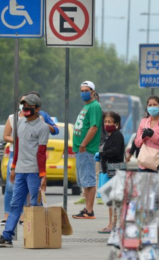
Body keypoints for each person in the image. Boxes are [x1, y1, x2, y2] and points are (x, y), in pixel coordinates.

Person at [0, 94, 49, 247]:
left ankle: (39, 236)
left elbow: (42, 152)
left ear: (37, 109)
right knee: (15, 205)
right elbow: (17, 148)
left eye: (29, 106)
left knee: (36, 205)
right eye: (24, 105)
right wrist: (14, 167)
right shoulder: (20, 123)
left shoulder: (42, 127)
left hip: (34, 172)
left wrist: (43, 175)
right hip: (20, 170)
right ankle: (7, 236)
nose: (26, 108)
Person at [134, 96, 159, 236]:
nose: (152, 107)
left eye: (155, 104)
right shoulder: (144, 122)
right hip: (145, 163)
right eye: (150, 104)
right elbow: (137, 143)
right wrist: (144, 136)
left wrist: (154, 136)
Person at [72, 81, 103, 219]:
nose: (83, 92)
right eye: (81, 90)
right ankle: (86, 209)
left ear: (92, 92)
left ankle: (89, 211)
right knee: (84, 181)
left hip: (87, 149)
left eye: (86, 90)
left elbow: (94, 127)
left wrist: (83, 144)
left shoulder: (94, 106)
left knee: (89, 181)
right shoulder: (87, 106)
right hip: (81, 149)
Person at [95, 111, 124, 234]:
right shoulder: (110, 136)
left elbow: (116, 151)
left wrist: (101, 154)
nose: (107, 124)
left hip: (114, 170)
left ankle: (114, 225)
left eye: (110, 122)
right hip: (108, 170)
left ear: (116, 124)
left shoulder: (117, 135)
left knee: (113, 199)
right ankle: (112, 224)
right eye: (105, 122)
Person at [1, 94, 27, 226]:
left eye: (26, 102)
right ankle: (7, 214)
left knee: (26, 186)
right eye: (22, 102)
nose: (24, 104)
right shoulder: (12, 118)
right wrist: (18, 141)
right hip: (14, 153)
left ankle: (23, 215)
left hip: (28, 155)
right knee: (10, 186)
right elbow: (5, 136)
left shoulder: (33, 118)